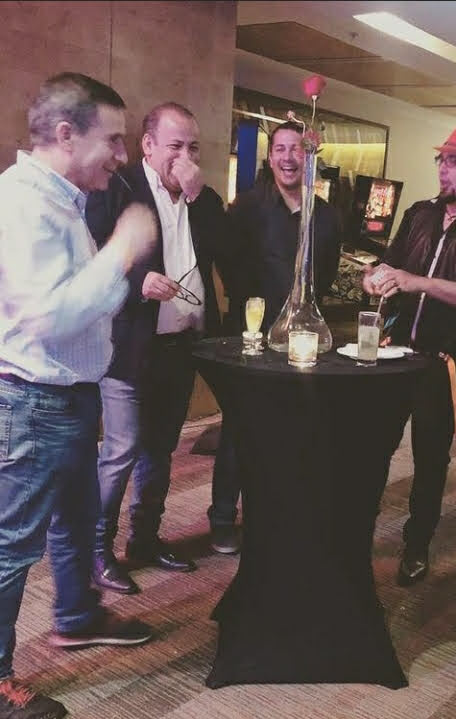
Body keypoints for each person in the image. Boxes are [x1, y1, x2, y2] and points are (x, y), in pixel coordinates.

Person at [0, 72, 155, 719]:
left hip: (69, 396)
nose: (121, 155)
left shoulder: (60, 199)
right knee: (10, 547)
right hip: (33, 402)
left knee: (75, 520)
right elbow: (51, 315)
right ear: (66, 135)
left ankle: (75, 616)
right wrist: (121, 251)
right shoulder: (21, 204)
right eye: (112, 140)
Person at [86, 102, 239, 598]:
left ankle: (145, 539)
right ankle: (96, 550)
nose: (185, 157)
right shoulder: (120, 186)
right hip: (129, 345)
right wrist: (138, 281)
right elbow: (92, 257)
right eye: (175, 146)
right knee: (121, 450)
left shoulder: (202, 197)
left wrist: (197, 195)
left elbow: (226, 251)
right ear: (148, 145)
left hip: (181, 345)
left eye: (193, 147)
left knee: (160, 450)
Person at [362, 121, 456, 586]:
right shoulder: (419, 214)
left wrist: (420, 283)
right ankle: (357, 534)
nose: (443, 170)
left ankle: (416, 545)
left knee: (430, 460)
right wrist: (375, 278)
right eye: (440, 160)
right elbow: (391, 263)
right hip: (395, 355)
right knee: (372, 448)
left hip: (447, 365)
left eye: (453, 161)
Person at [227, 121, 341, 334]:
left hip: (304, 335)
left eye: (296, 149)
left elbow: (326, 275)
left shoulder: (327, 216)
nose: (287, 157)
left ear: (309, 158)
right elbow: (230, 272)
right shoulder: (246, 208)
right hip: (252, 333)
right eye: (280, 149)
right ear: (270, 159)